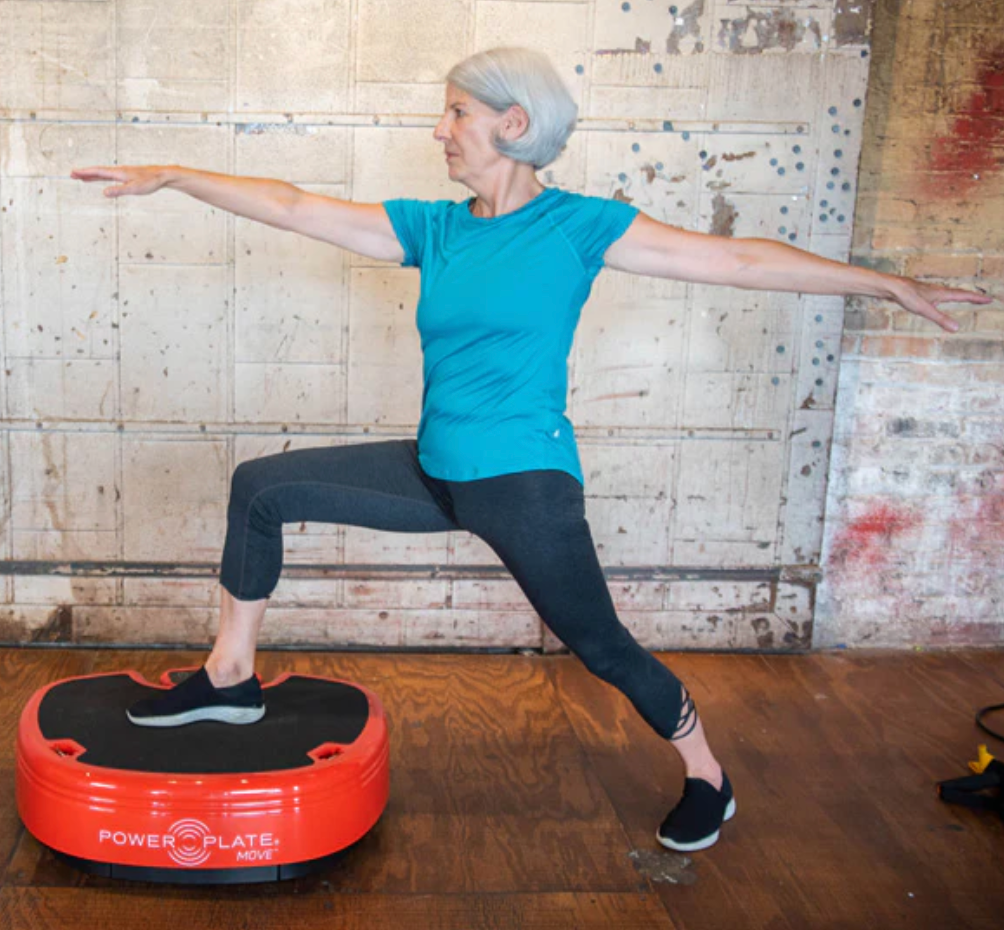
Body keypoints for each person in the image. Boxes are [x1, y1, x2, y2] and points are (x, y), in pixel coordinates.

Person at [70, 46, 991, 854]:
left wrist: (883, 285)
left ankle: (708, 775)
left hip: (523, 486)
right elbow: (293, 205)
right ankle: (230, 678)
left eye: (456, 113)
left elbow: (740, 260)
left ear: (513, 123)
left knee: (603, 648)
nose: (440, 130)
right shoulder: (435, 228)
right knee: (262, 488)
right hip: (435, 471)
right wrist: (176, 175)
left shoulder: (579, 227)